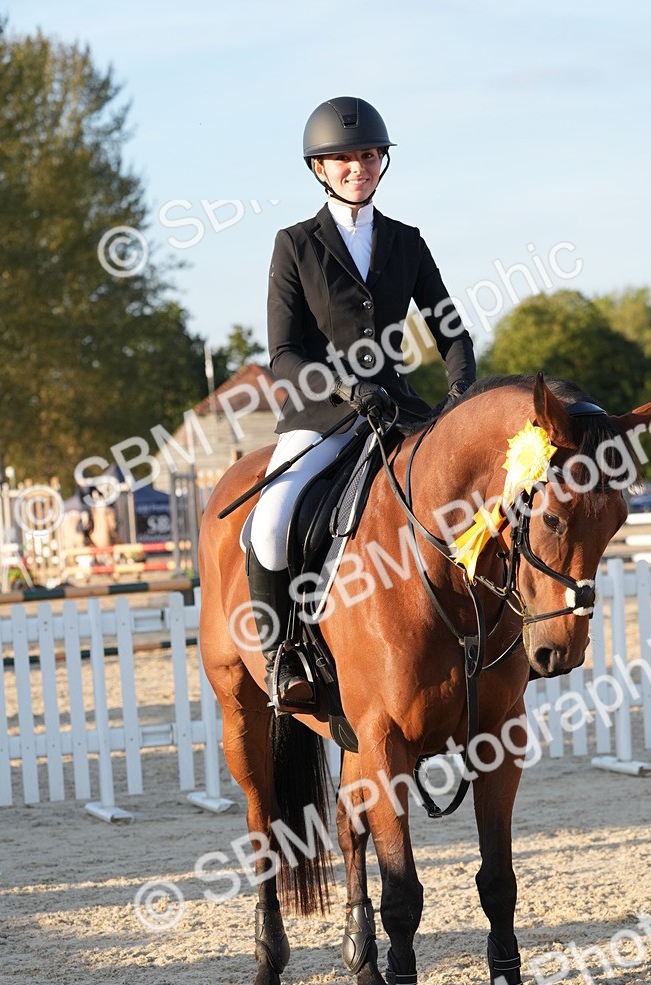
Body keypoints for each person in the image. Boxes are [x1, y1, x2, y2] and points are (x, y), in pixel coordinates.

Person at [247, 96, 476, 711]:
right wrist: (345, 387)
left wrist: (459, 394)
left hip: (399, 412)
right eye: (345, 158)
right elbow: (284, 354)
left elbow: (449, 328)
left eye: (370, 155)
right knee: (270, 525)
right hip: (321, 418)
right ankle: (282, 658)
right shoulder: (295, 244)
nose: (359, 166)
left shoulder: (407, 241)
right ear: (320, 169)